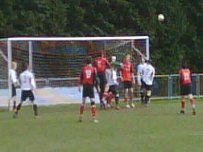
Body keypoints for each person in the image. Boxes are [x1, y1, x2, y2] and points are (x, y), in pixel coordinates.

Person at [78, 56, 99, 123]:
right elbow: (95, 79)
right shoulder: (93, 69)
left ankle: (81, 117)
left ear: (85, 62)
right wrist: (97, 87)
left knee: (83, 102)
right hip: (90, 87)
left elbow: (80, 78)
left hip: (85, 87)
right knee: (92, 102)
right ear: (91, 61)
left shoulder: (83, 69)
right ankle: (94, 118)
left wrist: (79, 86)